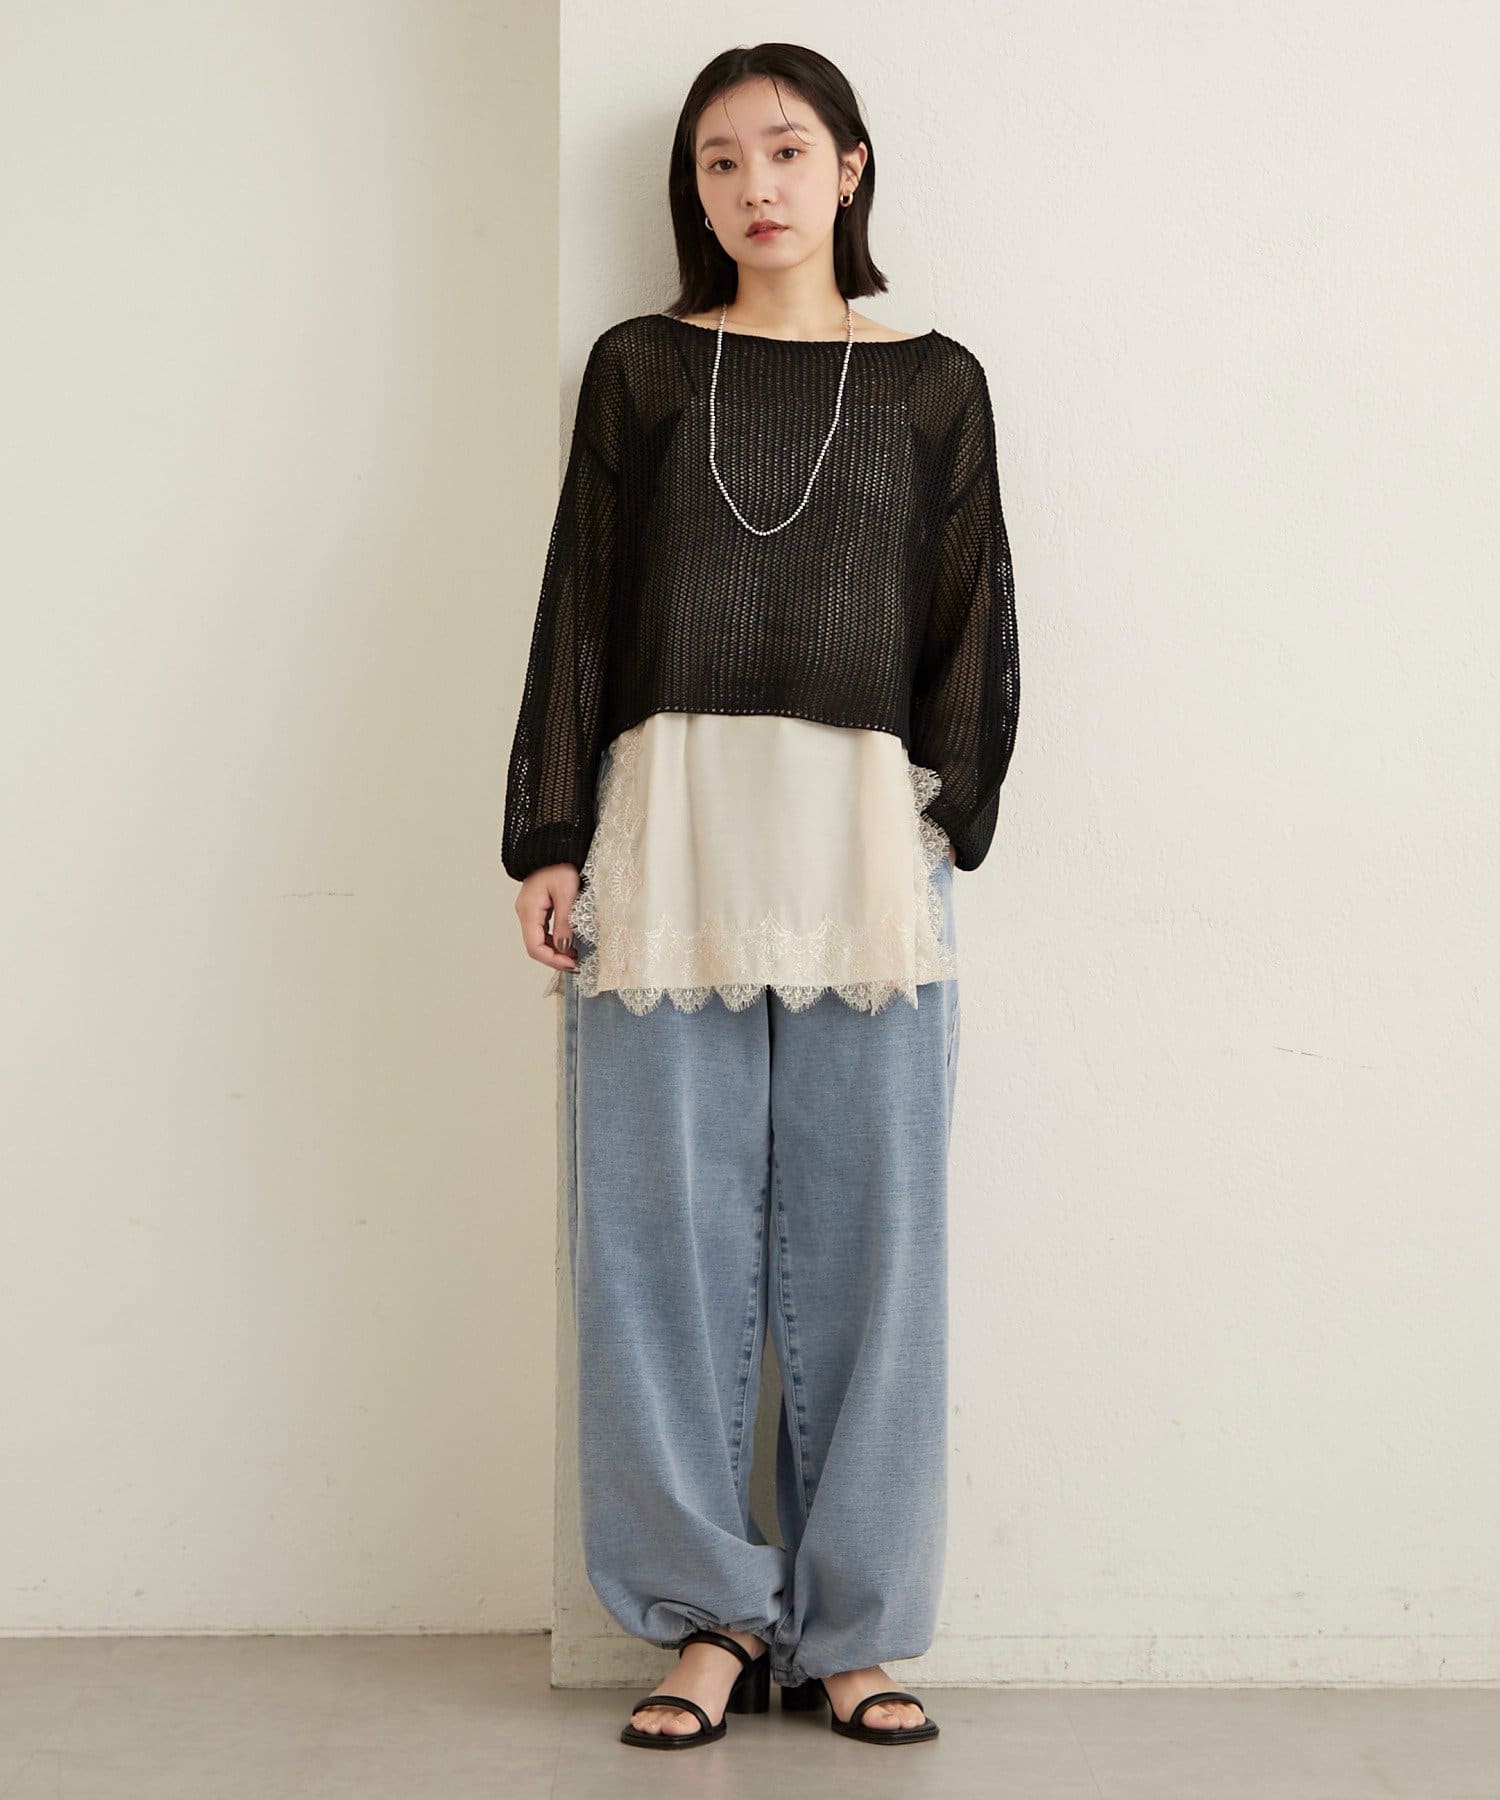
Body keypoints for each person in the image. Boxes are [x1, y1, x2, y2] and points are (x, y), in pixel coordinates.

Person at [502, 42, 1020, 1752]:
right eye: (720, 162)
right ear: (696, 192)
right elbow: (581, 605)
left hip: (867, 856)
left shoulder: (935, 383)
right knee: (655, 1249)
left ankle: (855, 1632)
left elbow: (973, 611)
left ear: (850, 167)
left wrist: (945, 822)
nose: (755, 187)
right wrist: (549, 833)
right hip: (668, 848)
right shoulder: (644, 369)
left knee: (879, 1249)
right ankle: (708, 1620)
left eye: (786, 151)